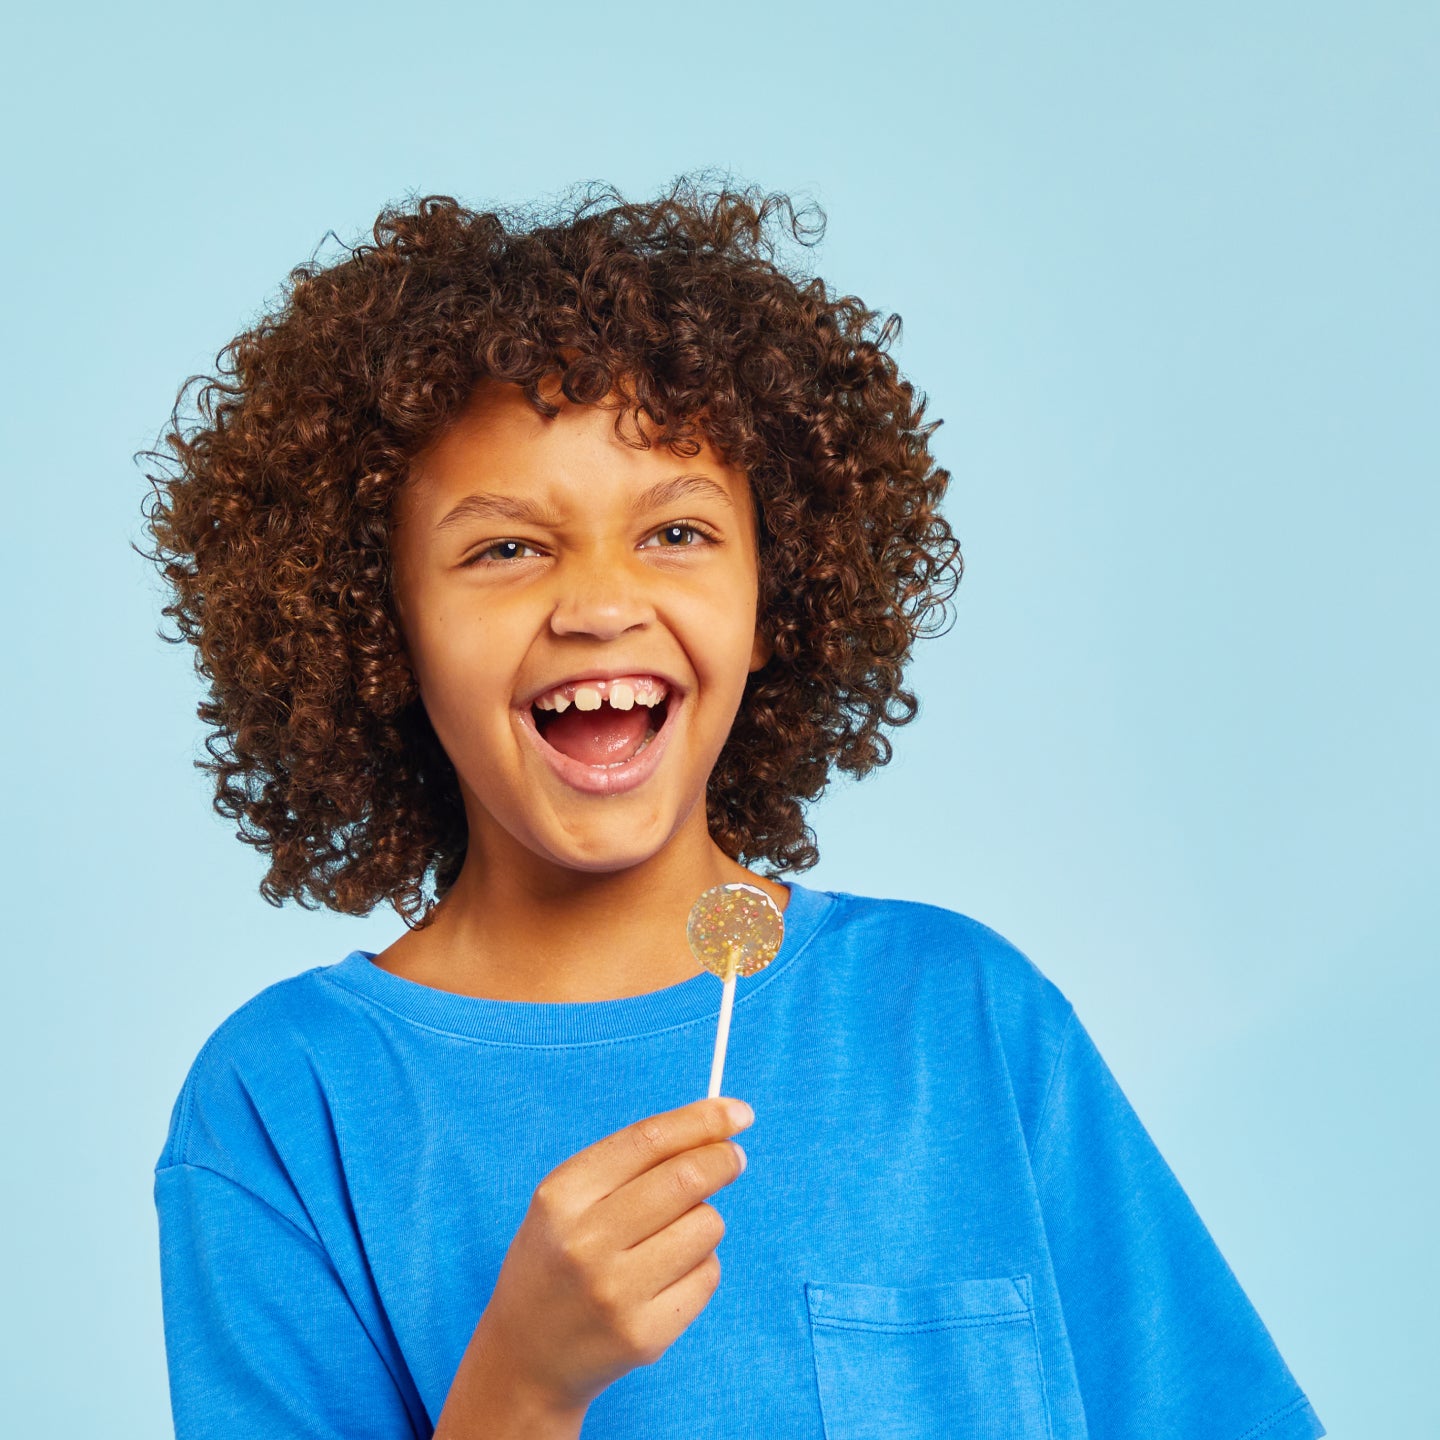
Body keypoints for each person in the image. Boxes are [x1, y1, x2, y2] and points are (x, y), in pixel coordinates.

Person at [142, 179, 1324, 1440]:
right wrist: (522, 1392)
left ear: (781, 593)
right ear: (382, 632)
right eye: (505, 549)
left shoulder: (964, 1018)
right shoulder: (285, 1105)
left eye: (679, 532)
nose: (601, 604)